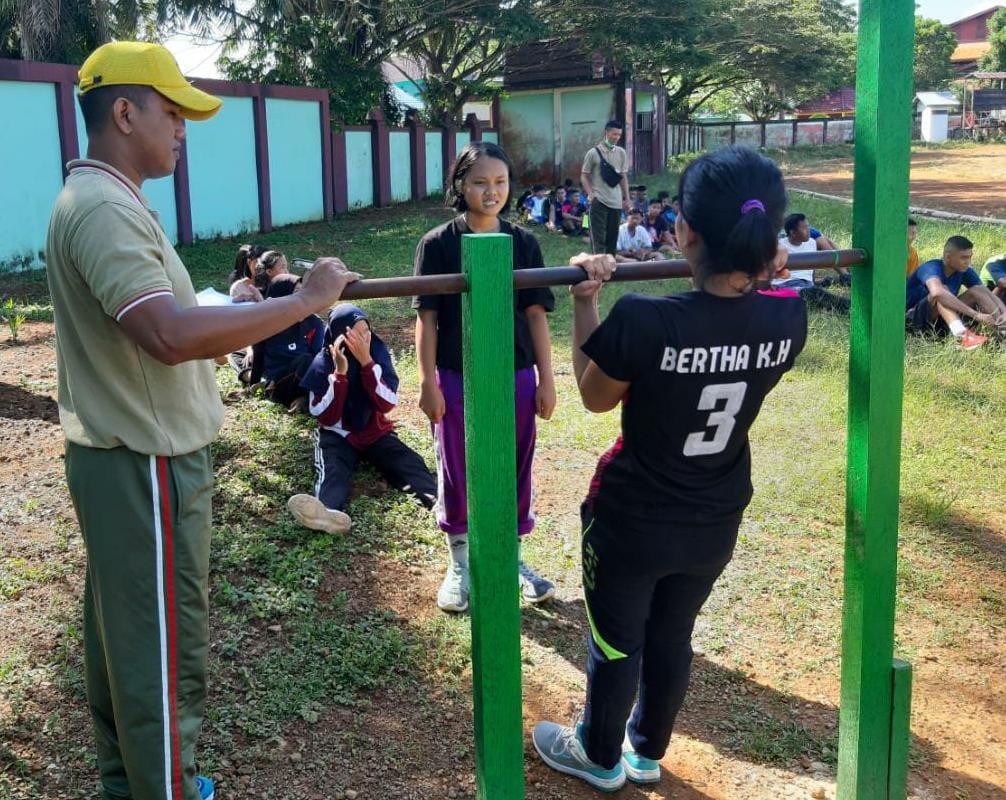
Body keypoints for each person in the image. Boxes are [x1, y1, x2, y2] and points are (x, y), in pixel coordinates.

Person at [44, 41, 358, 800]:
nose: (183, 128)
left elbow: (163, 322)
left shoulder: (100, 199)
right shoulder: (104, 210)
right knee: (159, 649)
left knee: (127, 640)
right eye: (173, 111)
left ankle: (135, 786)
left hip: (125, 456)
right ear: (125, 112)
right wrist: (303, 301)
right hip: (145, 463)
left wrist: (254, 308)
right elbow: (168, 334)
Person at [532, 145, 807, 792]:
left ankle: (598, 754)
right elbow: (765, 295)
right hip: (715, 517)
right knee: (673, 635)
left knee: (616, 641)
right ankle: (646, 751)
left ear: (682, 230)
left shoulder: (645, 318)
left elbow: (595, 397)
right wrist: (769, 269)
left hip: (632, 520)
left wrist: (584, 301)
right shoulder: (790, 315)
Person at [413, 141, 557, 613]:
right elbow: (427, 318)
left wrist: (546, 379)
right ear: (460, 185)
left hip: (515, 374)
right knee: (457, 464)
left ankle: (510, 559)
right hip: (456, 375)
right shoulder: (437, 244)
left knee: (516, 463)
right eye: (479, 182)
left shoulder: (525, 243)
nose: (491, 191)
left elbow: (535, 315)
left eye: (500, 182)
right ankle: (459, 562)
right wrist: (429, 382)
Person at [287, 303, 437, 534]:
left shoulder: (377, 353)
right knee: (333, 468)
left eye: (366, 332)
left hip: (374, 430)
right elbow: (324, 415)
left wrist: (367, 363)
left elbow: (387, 403)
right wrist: (339, 374)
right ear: (339, 335)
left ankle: (437, 502)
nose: (363, 339)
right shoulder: (322, 363)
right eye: (354, 334)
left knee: (406, 461)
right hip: (338, 432)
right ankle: (327, 512)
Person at [905, 235, 1006, 349]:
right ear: (948, 257)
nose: (968, 262)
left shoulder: (964, 271)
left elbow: (985, 292)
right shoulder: (931, 267)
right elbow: (937, 293)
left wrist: (1004, 311)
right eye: (963, 258)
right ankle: (962, 336)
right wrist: (976, 315)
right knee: (942, 291)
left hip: (941, 320)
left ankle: (1002, 329)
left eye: (970, 257)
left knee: (977, 290)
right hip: (913, 321)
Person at [252, 274, 326, 409]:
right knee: (305, 360)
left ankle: (307, 398)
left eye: (303, 292)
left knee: (314, 360)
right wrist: (254, 383)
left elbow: (319, 359)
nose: (301, 299)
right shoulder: (267, 324)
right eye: (296, 292)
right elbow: (258, 356)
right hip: (278, 381)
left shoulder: (313, 323)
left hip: (304, 377)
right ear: (281, 296)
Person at [774, 213, 849, 313]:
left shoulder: (811, 243)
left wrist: (812, 283)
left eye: (808, 226)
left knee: (814, 292)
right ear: (793, 232)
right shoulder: (779, 246)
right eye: (804, 228)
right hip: (786, 285)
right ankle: (847, 307)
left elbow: (811, 269)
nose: (809, 230)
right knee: (814, 293)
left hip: (808, 285)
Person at [581, 120, 631, 256]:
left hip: (616, 202)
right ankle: (598, 265)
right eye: (614, 134)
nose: (616, 137)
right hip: (599, 200)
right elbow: (584, 176)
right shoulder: (593, 153)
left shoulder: (621, 153)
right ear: (606, 133)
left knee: (612, 239)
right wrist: (591, 194)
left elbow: (623, 177)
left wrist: (627, 198)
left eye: (619, 135)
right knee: (599, 238)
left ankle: (611, 265)